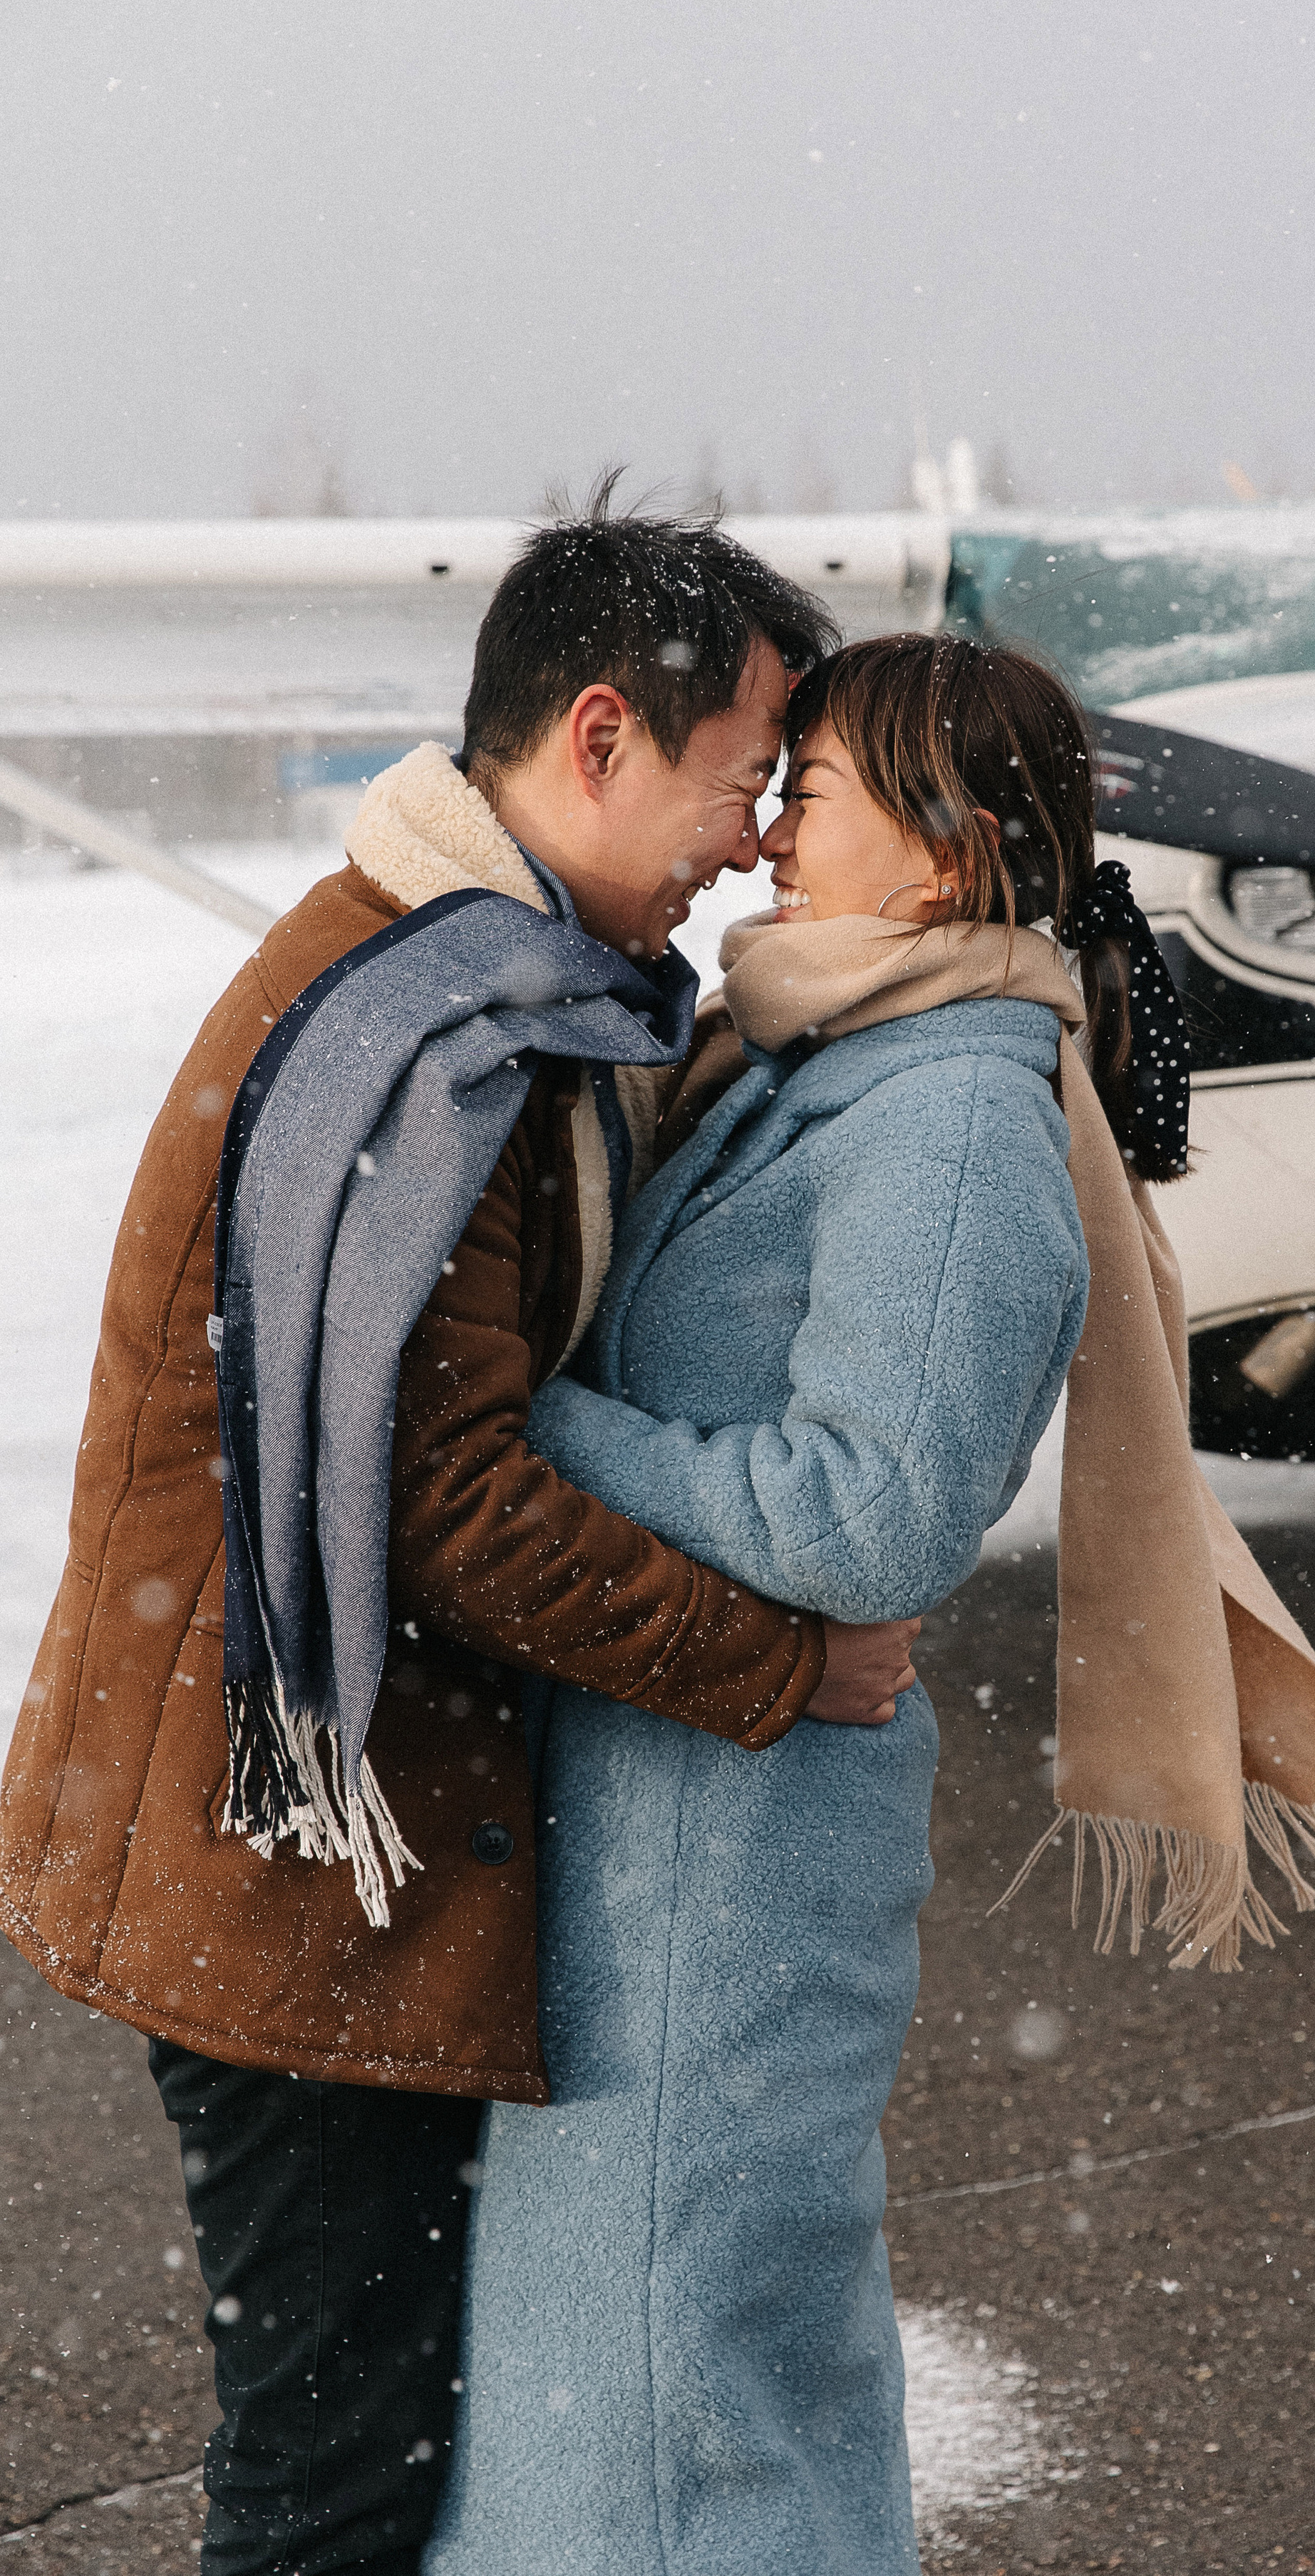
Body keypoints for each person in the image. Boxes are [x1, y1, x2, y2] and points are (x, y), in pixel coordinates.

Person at [427, 635, 1315, 2576]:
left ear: (940, 858)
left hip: (728, 1862)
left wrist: (539, 1438)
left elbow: (871, 1524)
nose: (768, 829)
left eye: (816, 792)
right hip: (674, 1819)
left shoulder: (946, 1127)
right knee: (696, 2385)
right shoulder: (834, 1056)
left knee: (673, 2420)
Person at [0, 485, 919, 2576]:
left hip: (300, 1849)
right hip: (284, 1878)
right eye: (734, 776)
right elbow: (449, 1499)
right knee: (332, 2482)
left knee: (365, 2441)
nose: (754, 834)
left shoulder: (494, 978)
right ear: (596, 736)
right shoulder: (438, 1036)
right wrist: (783, 1663)